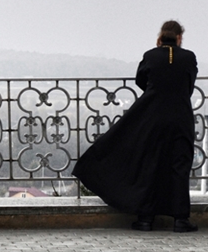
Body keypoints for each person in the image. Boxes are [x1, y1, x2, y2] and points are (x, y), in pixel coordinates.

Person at [72, 20, 199, 232]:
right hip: (180, 117)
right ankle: (180, 219)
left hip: (151, 116)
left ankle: (145, 218)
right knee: (179, 165)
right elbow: (189, 84)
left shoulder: (150, 55)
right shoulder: (189, 57)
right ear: (179, 38)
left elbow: (141, 80)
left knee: (149, 163)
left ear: (160, 37)